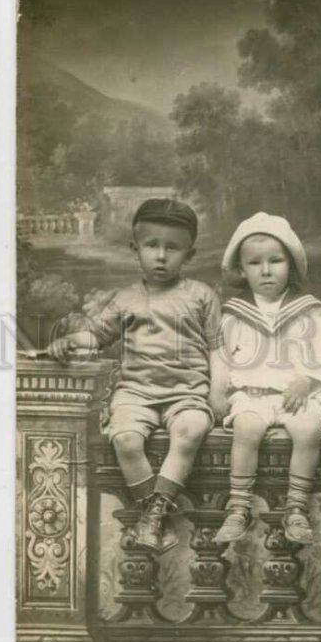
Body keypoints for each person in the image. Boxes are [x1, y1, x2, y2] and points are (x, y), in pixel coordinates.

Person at [49, 198, 224, 554]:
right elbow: (96, 337)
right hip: (135, 393)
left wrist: (217, 391)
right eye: (151, 245)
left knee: (190, 430)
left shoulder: (201, 295)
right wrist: (70, 340)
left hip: (186, 392)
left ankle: (152, 517)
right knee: (125, 439)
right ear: (135, 249)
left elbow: (216, 348)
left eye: (172, 248)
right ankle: (154, 513)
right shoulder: (125, 299)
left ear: (189, 254)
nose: (161, 255)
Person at [214, 213, 321, 545]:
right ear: (241, 270)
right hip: (251, 395)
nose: (266, 270)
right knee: (246, 427)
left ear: (292, 265)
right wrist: (218, 390)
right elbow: (221, 356)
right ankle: (238, 506)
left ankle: (296, 507)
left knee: (308, 429)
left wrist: (308, 380)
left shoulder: (311, 311)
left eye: (276, 261)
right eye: (255, 263)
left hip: (298, 395)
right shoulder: (234, 313)